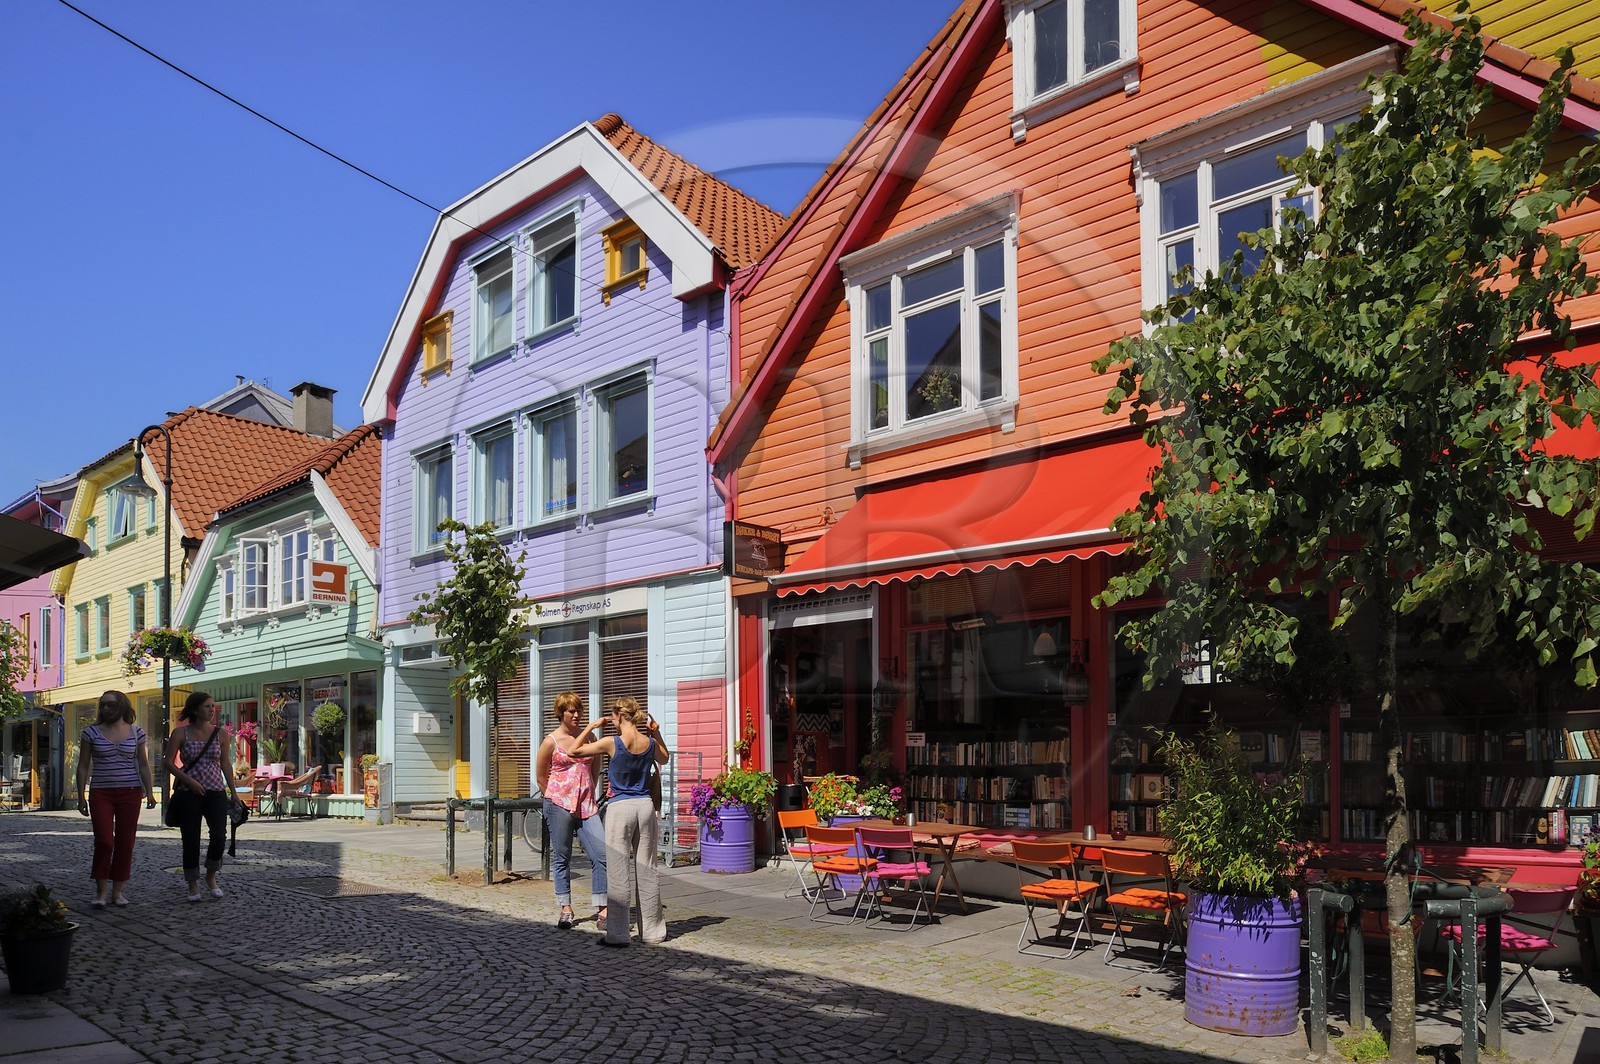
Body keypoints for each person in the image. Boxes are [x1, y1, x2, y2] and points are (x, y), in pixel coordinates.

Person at [569, 697, 671, 946]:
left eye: (613, 717)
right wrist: (657, 734)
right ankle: (653, 932)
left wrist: (591, 727)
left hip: (620, 807)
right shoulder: (648, 742)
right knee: (647, 868)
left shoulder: (612, 743)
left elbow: (574, 751)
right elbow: (665, 758)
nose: (611, 721)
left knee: (617, 869)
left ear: (620, 715)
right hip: (645, 807)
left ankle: (618, 934)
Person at [534, 691, 608, 930]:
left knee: (601, 855)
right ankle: (565, 907)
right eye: (571, 711)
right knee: (562, 856)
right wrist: (553, 797)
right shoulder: (550, 741)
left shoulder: (589, 737)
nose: (576, 715)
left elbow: (595, 767)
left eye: (579, 711)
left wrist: (589, 791)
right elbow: (541, 776)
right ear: (561, 713)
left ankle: (603, 909)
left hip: (586, 805)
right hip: (559, 804)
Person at [74, 690, 155, 908]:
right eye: (103, 705)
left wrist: (150, 791)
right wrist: (81, 795)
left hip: (130, 791)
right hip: (101, 792)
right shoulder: (91, 732)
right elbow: (82, 765)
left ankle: (117, 892)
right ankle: (101, 892)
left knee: (125, 842)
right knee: (104, 841)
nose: (105, 709)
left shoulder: (137, 733)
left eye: (110, 704)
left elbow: (144, 764)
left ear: (121, 706)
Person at [165, 691, 238, 902]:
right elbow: (168, 763)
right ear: (195, 709)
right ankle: (192, 883)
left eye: (213, 706)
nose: (211, 710)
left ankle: (211, 876)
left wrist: (232, 792)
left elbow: (225, 763)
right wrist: (190, 782)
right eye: (207, 706)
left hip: (215, 791)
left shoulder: (220, 734)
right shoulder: (180, 734)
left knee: (218, 836)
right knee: (191, 838)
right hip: (189, 793)